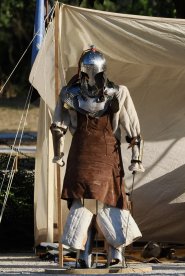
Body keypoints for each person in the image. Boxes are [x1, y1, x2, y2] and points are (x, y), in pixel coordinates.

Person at [50, 46, 144, 268]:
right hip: (107, 156)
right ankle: (115, 255)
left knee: (84, 204)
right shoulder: (119, 92)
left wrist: (58, 155)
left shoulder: (69, 93)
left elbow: (58, 127)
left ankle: (84, 255)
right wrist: (136, 159)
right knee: (112, 202)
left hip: (81, 156)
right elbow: (133, 130)